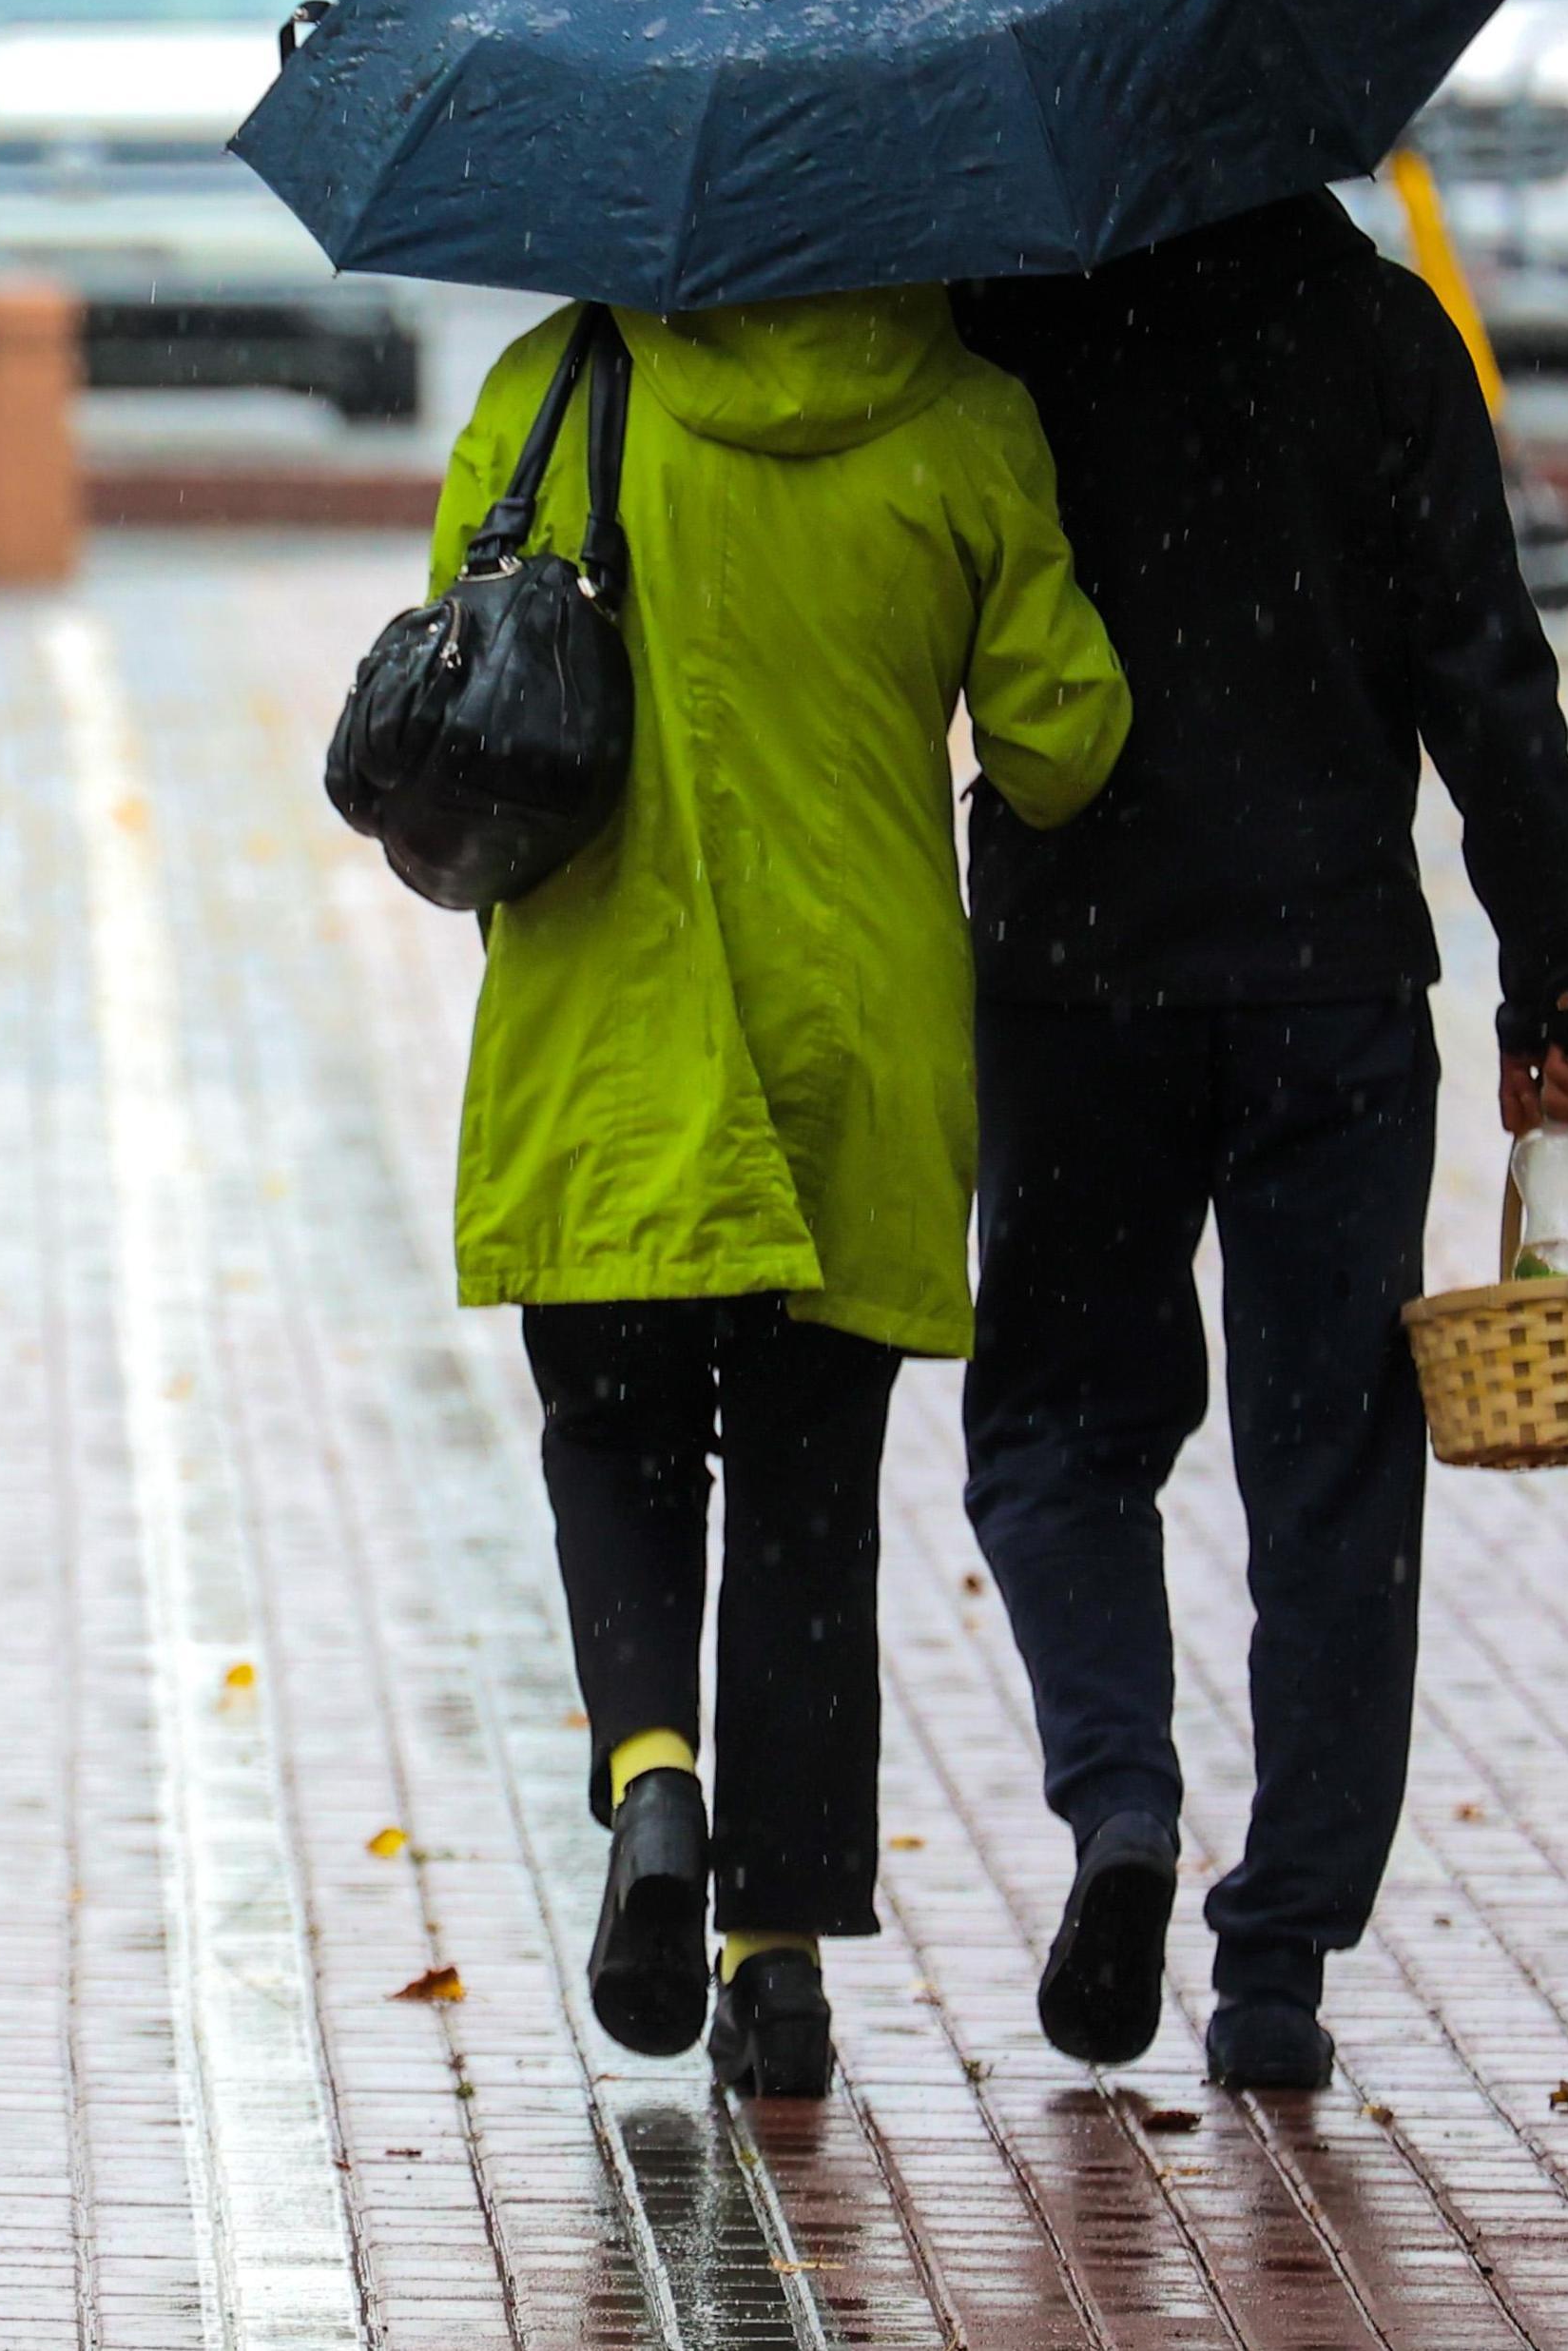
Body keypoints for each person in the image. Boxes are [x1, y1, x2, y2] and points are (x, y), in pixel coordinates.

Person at [435, 288, 1131, 2100]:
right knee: (812, 1502)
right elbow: (1065, 739)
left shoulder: (556, 384)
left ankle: (652, 1772)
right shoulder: (970, 415)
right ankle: (777, 1953)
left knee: (614, 1433)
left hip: (616, 1029)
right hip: (859, 1036)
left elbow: (455, 673)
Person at [950, 195, 1568, 2094]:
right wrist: (1551, 987)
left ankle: (1119, 1804)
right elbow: (1493, 682)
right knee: (1331, 1466)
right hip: (1330, 978)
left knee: (1059, 1427)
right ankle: (1279, 1961)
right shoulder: (1382, 337)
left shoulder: (1013, 324)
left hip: (1077, 977)